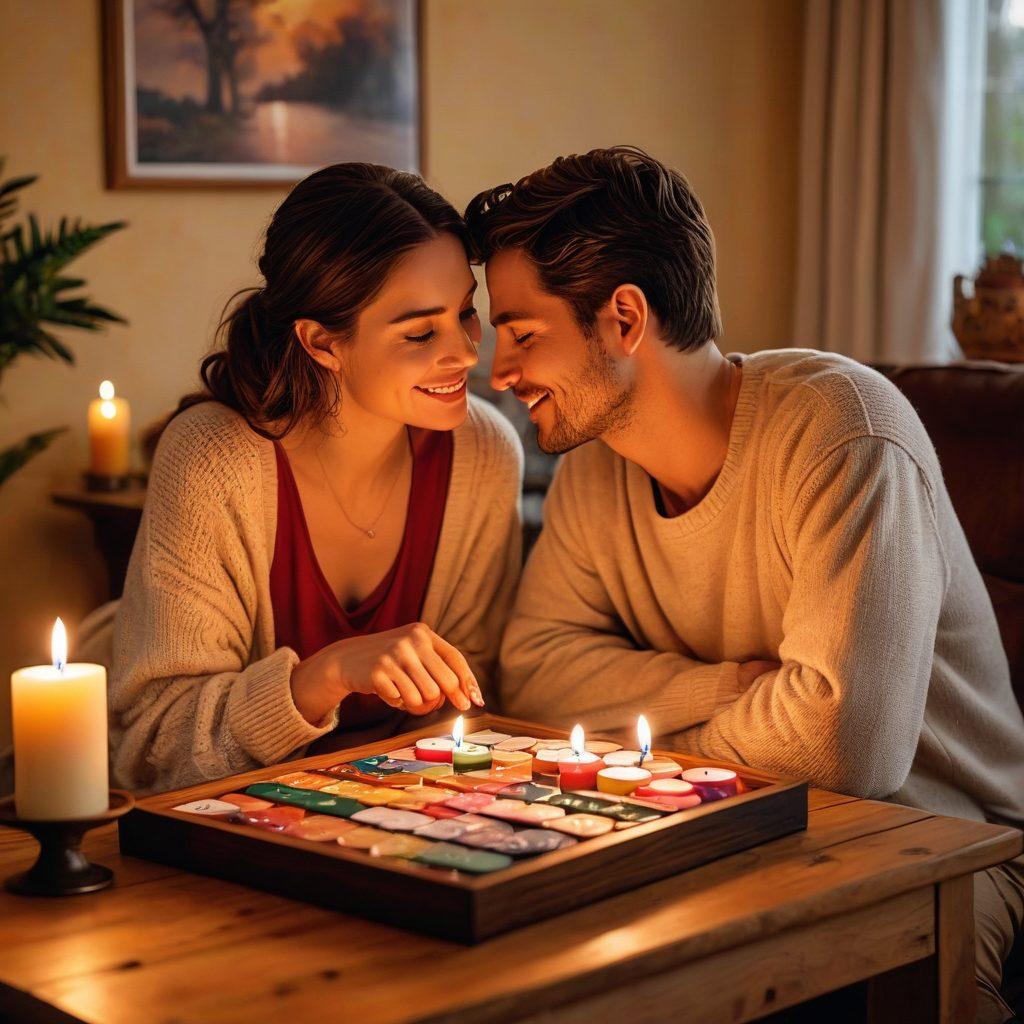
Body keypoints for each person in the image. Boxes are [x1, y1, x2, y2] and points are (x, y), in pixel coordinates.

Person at [466, 146, 1024, 1022]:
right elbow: (533, 674)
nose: (499, 372)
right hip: (727, 823)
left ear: (624, 318)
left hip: (944, 842)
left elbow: (847, 749)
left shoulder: (845, 434)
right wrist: (731, 689)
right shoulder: (594, 468)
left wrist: (649, 735)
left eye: (524, 333)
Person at [106, 163, 522, 795]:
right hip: (229, 827)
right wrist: (322, 678)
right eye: (420, 332)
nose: (467, 352)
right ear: (322, 342)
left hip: (399, 820)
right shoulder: (212, 459)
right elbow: (153, 750)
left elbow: (470, 702)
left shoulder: (484, 453)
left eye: (465, 313)